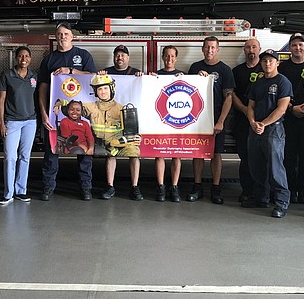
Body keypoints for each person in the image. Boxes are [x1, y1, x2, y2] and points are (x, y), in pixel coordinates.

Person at [38, 22, 96, 201]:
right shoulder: (49, 59)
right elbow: (42, 88)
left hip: (81, 114)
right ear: (56, 37)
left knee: (84, 152)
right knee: (52, 152)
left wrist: (70, 70)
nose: (62, 37)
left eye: (66, 34)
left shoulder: (83, 55)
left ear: (72, 36)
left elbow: (93, 77)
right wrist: (44, 113)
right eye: (59, 34)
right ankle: (48, 187)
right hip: (56, 113)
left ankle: (85, 187)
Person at [187, 36, 235, 204]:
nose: (209, 50)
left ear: (218, 50)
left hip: (216, 116)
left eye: (213, 47)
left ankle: (216, 188)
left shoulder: (225, 70)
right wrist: (197, 79)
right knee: (198, 152)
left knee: (216, 153)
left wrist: (221, 121)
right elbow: (187, 91)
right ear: (202, 48)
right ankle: (197, 186)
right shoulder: (195, 67)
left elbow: (228, 98)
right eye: (207, 47)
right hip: (197, 117)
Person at [246, 49, 293, 218]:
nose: (267, 64)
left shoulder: (283, 82)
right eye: (264, 61)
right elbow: (250, 106)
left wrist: (263, 124)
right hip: (255, 128)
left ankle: (281, 202)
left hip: (273, 129)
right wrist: (252, 122)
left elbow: (282, 109)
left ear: (277, 63)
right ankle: (261, 198)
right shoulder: (257, 83)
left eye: (271, 61)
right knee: (256, 165)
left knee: (275, 167)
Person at [278, 33, 304, 204]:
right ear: (289, 48)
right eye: (294, 45)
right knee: (288, 155)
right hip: (288, 116)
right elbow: (280, 92)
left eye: (301, 45)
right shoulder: (283, 68)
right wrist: (291, 108)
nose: (298, 48)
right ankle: (290, 188)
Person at [99, 45, 144, 201]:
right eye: (117, 55)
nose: (120, 58)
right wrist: (99, 76)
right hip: (111, 120)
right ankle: (110, 186)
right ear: (114, 57)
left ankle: (135, 187)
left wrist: (142, 77)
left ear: (128, 58)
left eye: (123, 55)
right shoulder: (106, 73)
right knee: (111, 153)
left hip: (130, 120)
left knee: (133, 153)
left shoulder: (135, 73)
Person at [0, 46, 37, 205]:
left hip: (30, 122)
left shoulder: (34, 76)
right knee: (10, 157)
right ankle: (8, 193)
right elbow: (1, 100)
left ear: (30, 59)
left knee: (25, 157)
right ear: (16, 58)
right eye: (20, 56)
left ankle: (21, 190)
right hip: (12, 122)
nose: (24, 59)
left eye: (27, 56)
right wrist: (1, 122)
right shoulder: (7, 75)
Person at [149, 45, 185, 202]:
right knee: (160, 154)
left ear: (176, 59)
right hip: (161, 121)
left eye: (172, 56)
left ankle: (175, 187)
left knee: (177, 154)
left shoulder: (182, 76)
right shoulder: (155, 76)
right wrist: (149, 80)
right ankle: (161, 186)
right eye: (167, 56)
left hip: (177, 121)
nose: (169, 59)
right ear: (162, 58)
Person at [231, 38, 262, 203]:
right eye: (248, 47)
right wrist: (244, 109)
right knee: (245, 158)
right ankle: (246, 190)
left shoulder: (266, 69)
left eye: (254, 47)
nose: (251, 50)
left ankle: (261, 192)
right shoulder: (237, 71)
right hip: (242, 122)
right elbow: (231, 94)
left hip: (263, 123)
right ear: (244, 50)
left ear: (259, 49)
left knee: (262, 158)